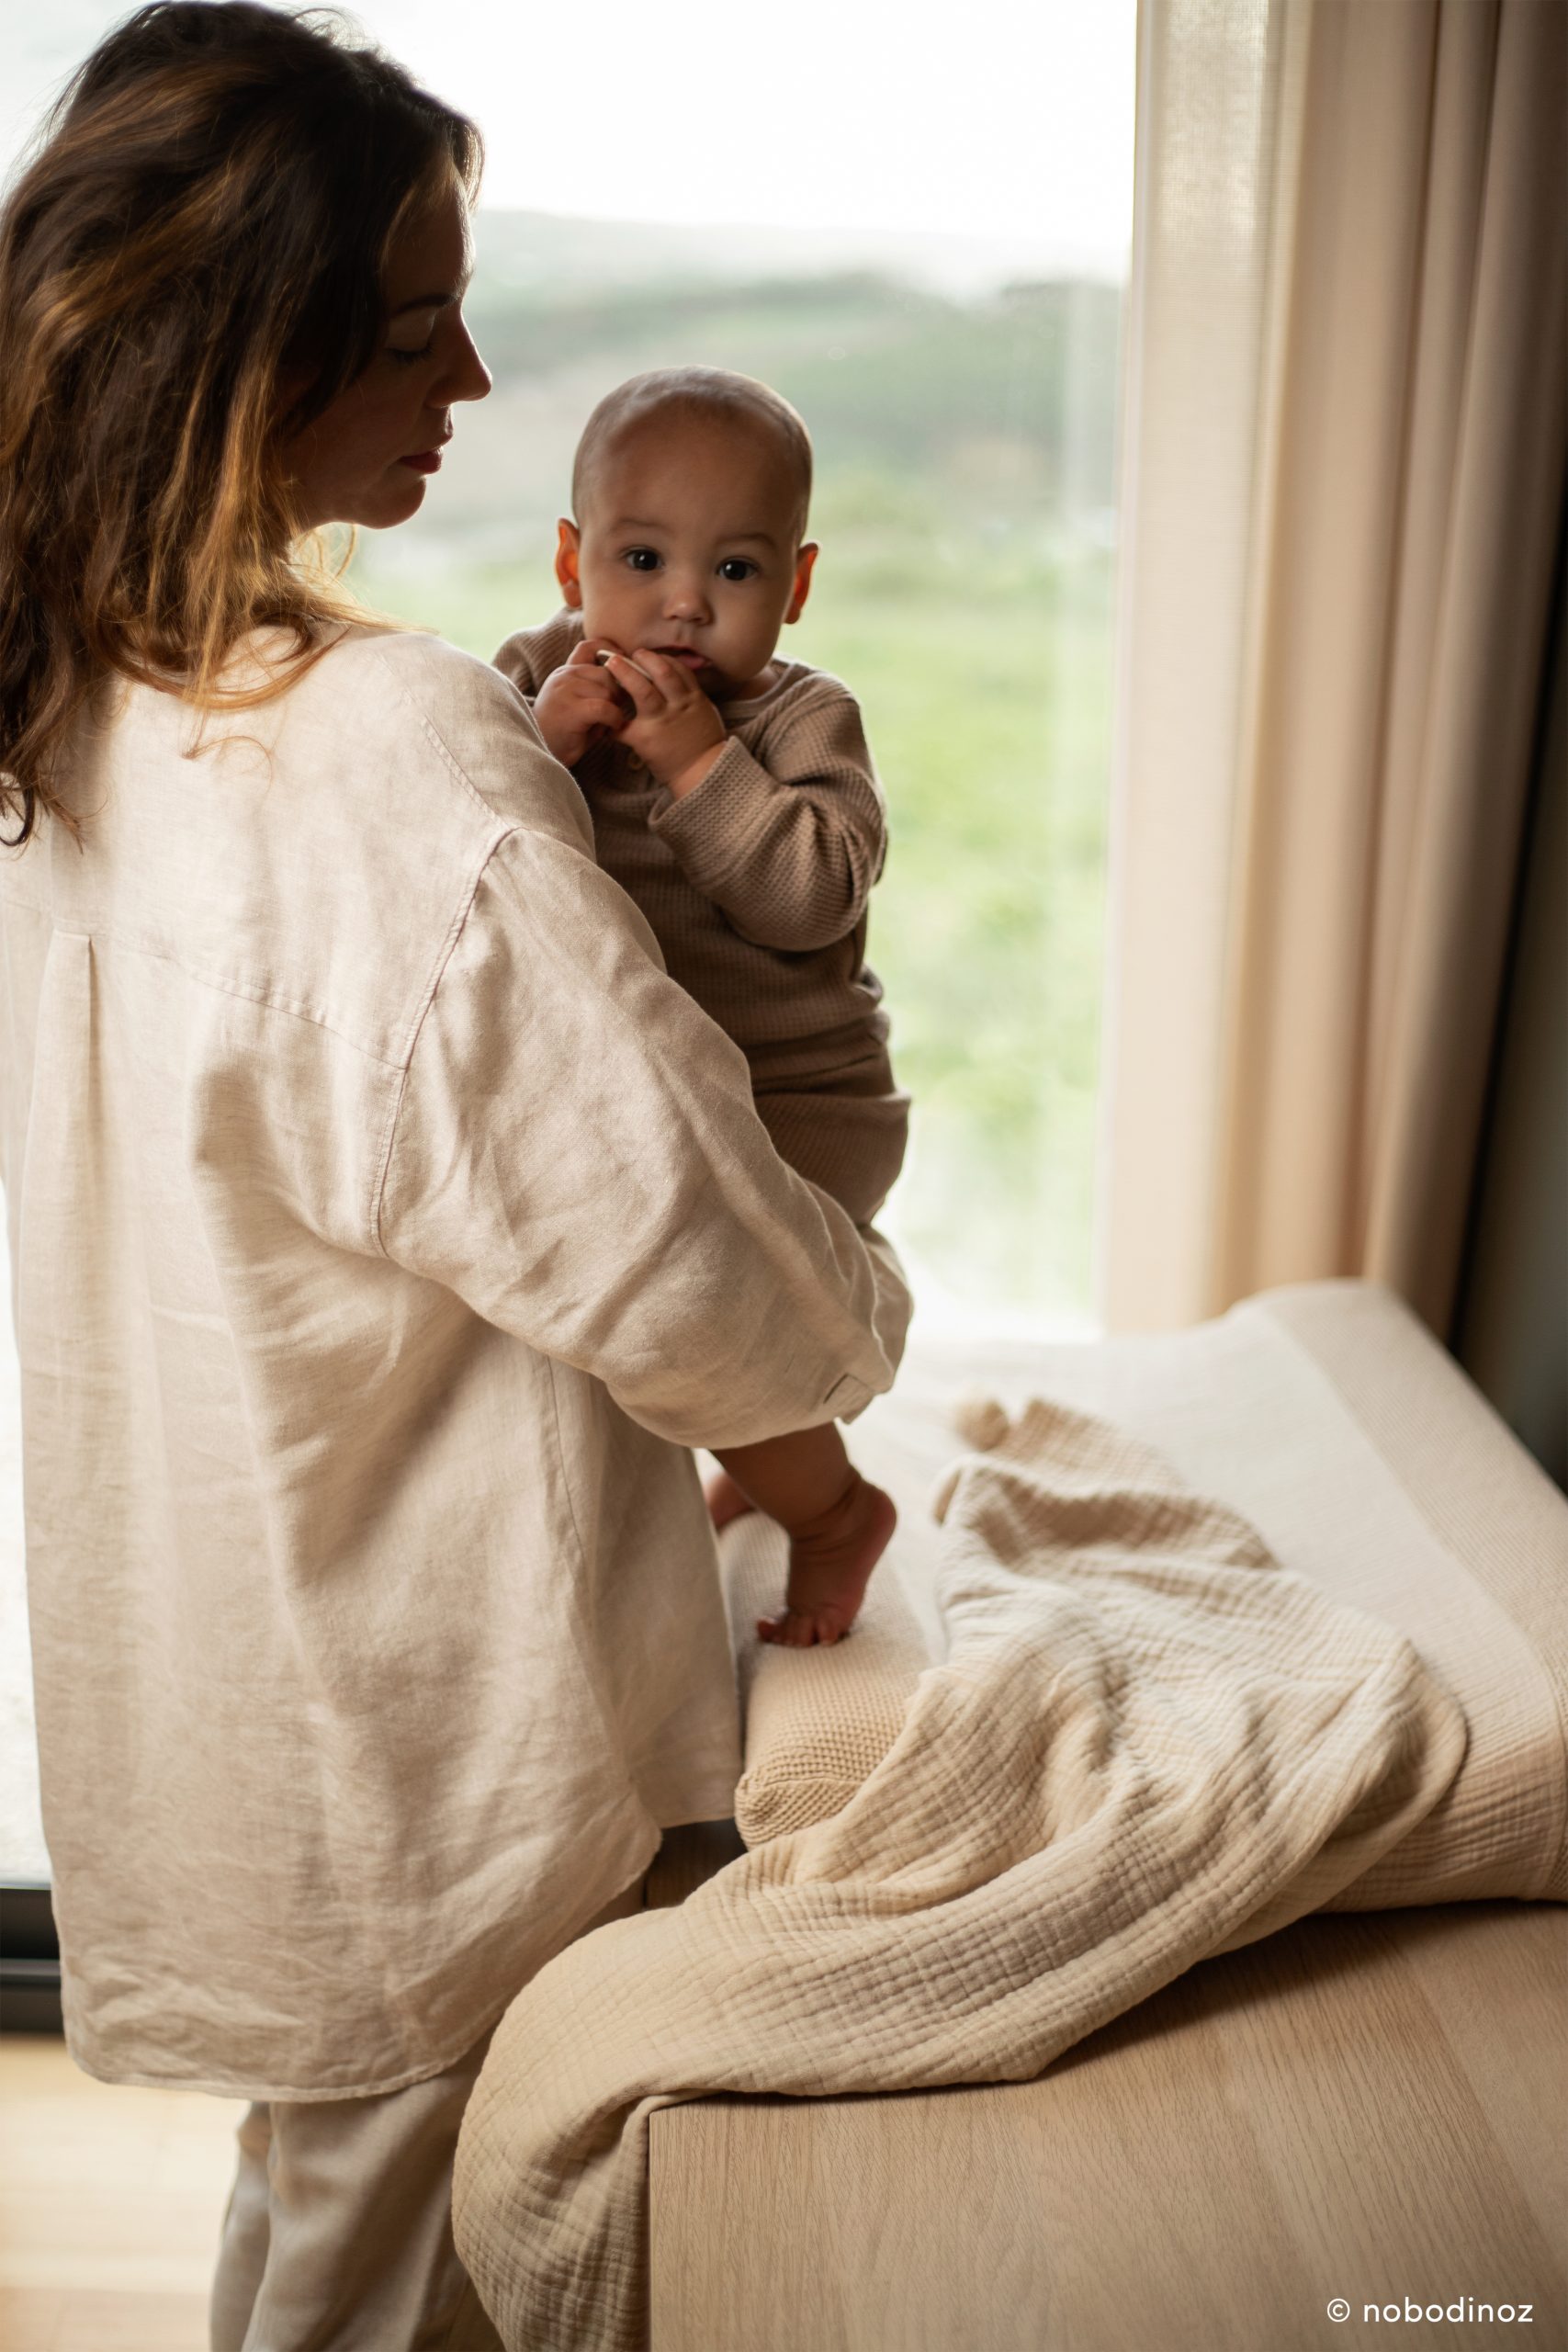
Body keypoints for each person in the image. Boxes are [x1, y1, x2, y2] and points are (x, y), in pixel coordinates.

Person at [0, 7, 908, 2346]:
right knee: (416, 2268)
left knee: (323, 2206)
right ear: (250, 354)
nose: (479, 376)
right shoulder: (382, 743)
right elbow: (664, 1231)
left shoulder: (66, 697)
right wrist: (816, 1464)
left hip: (219, 1626)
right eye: (417, 324)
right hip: (431, 1685)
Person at [495, 369, 910, 1648]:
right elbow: (474, 855)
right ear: (573, 563)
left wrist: (698, 766)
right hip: (652, 1096)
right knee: (645, 1312)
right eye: (641, 557)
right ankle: (768, 1441)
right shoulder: (532, 677)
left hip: (798, 1104)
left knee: (692, 1313)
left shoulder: (798, 717)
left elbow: (815, 893)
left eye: (735, 571)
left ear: (793, 588)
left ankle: (834, 1513)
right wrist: (537, 749)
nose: (684, 604)